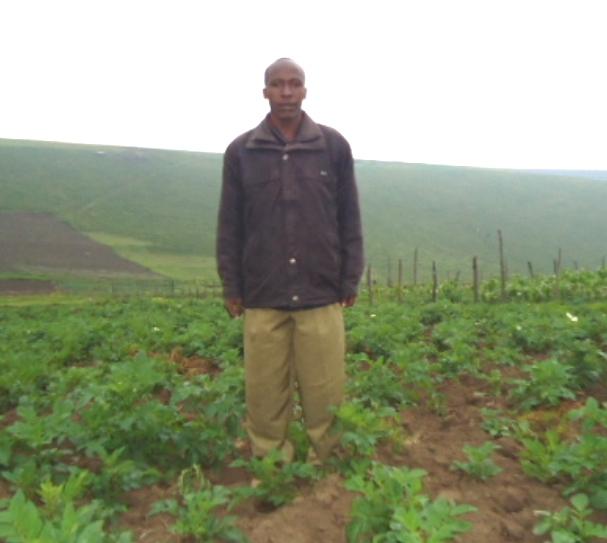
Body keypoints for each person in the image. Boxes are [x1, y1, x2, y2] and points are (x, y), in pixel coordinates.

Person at [216, 58, 364, 463]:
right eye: (277, 84)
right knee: (264, 391)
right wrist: (232, 286)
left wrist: (350, 277)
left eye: (294, 84)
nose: (286, 92)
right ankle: (271, 462)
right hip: (263, 292)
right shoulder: (241, 151)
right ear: (265, 91)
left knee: (325, 389)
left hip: (320, 290)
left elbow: (349, 216)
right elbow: (230, 225)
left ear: (305, 90)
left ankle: (327, 460)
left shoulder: (333, 147)